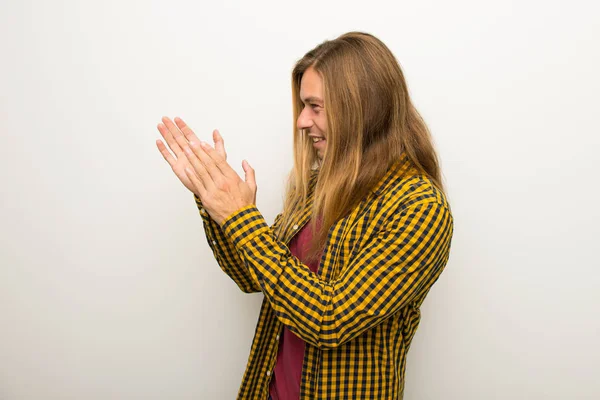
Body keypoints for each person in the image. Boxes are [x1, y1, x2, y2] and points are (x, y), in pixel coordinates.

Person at [156, 31, 454, 400]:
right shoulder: (319, 185)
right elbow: (257, 276)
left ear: (362, 106)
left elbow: (328, 318)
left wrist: (241, 220)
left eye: (315, 106)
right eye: (302, 106)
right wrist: (214, 199)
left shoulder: (419, 208)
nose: (300, 121)